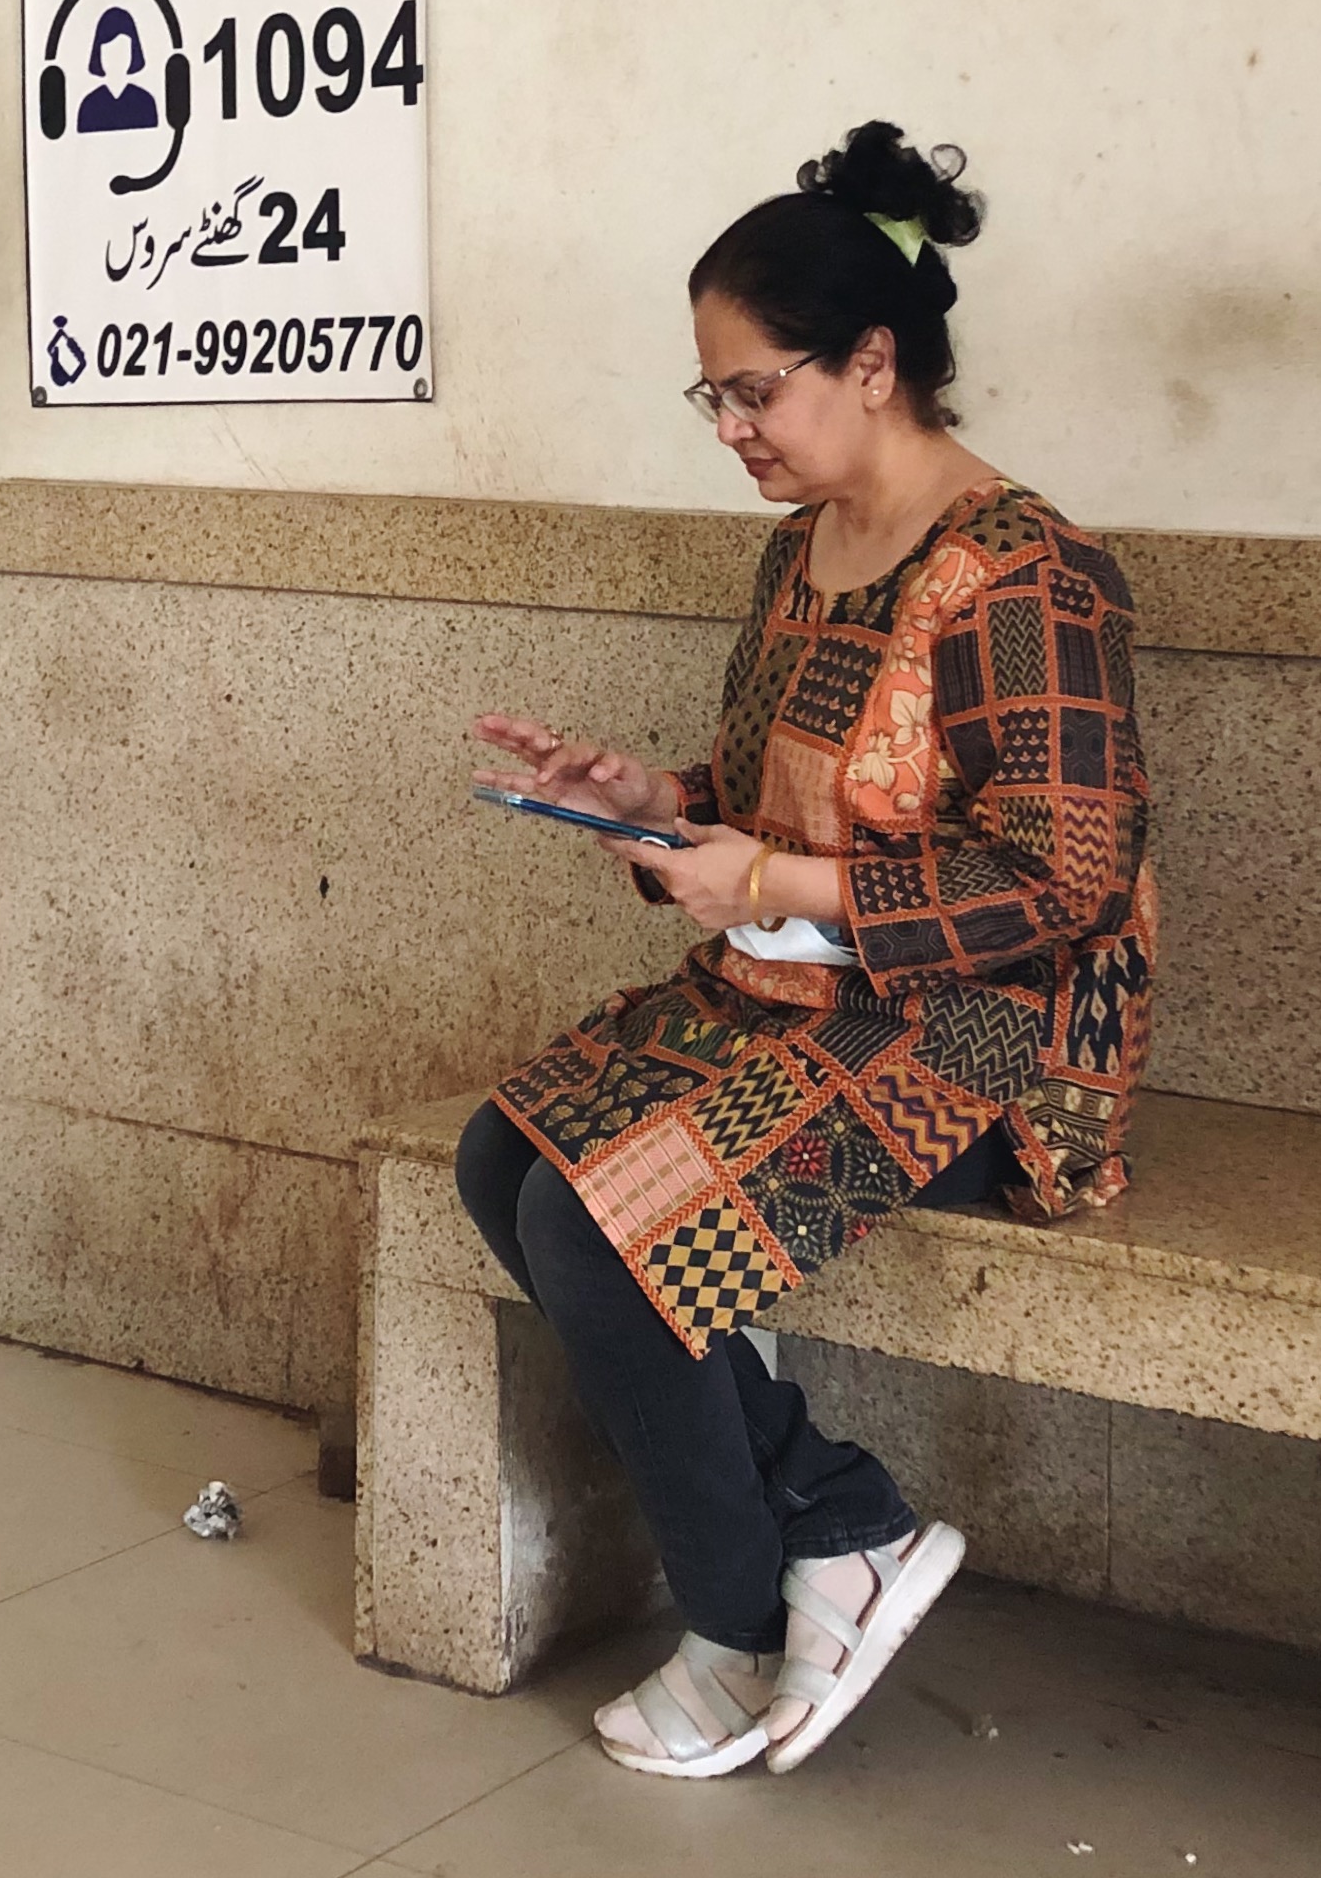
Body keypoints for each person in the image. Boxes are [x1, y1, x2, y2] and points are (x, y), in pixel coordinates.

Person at [463, 121, 1155, 1780]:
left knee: (596, 1223)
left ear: (874, 364)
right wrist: (653, 804)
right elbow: (778, 799)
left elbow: (1067, 878)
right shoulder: (802, 551)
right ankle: (838, 1520)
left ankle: (735, 1625)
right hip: (791, 995)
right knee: (502, 1160)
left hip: (986, 1042)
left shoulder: (1028, 574)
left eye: (754, 391)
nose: (733, 431)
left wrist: (774, 873)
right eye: (710, 397)